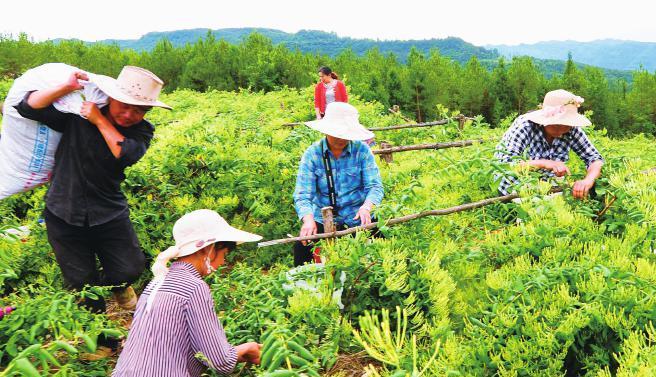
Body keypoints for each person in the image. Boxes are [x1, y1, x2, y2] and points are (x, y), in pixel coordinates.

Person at [14, 66, 171, 357]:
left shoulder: (141, 130)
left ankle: (120, 285)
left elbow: (124, 153)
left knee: (130, 267)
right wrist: (65, 87)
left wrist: (99, 120)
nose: (129, 115)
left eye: (139, 110)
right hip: (63, 211)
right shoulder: (76, 117)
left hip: (108, 211)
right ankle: (103, 344)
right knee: (82, 286)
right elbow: (28, 107)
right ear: (112, 98)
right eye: (125, 106)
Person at [113, 209, 262, 376]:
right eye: (224, 255)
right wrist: (246, 348)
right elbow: (219, 361)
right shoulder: (194, 287)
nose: (222, 262)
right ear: (209, 249)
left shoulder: (157, 282)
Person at [293, 102, 384, 266]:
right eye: (337, 133)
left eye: (346, 134)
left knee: (384, 252)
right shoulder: (312, 155)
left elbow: (375, 187)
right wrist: (308, 220)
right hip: (322, 218)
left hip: (358, 218)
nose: (342, 139)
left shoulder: (362, 151)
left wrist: (367, 207)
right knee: (301, 250)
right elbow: (302, 195)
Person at [495, 89, 604, 200]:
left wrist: (587, 180)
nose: (563, 128)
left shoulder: (571, 129)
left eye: (566, 124)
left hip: (546, 189)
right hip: (512, 189)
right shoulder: (526, 126)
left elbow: (595, 158)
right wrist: (544, 163)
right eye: (557, 124)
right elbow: (506, 165)